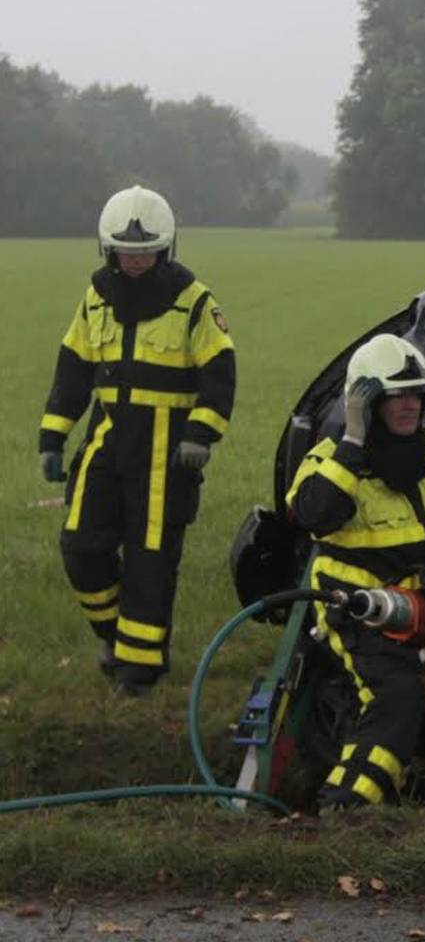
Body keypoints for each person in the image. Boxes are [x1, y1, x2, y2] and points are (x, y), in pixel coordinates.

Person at [38, 185, 235, 695]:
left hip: (166, 453)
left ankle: (138, 671)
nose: (136, 260)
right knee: (81, 545)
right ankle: (113, 633)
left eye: (147, 251)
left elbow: (219, 372)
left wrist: (200, 434)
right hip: (106, 442)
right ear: (109, 250)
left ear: (165, 249)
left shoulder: (194, 303)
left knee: (151, 562)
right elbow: (73, 369)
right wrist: (52, 438)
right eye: (127, 251)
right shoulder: (95, 299)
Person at [286, 334, 425, 809]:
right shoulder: (332, 459)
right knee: (396, 697)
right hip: (352, 607)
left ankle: (399, 794)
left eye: (417, 394)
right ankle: (346, 806)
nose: (410, 405)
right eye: (396, 396)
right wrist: (352, 445)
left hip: (418, 609)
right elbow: (315, 514)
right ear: (366, 404)